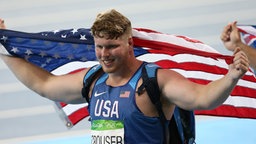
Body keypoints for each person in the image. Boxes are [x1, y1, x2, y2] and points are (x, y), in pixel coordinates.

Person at [0, 9, 249, 144]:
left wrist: (231, 77)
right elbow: (45, 84)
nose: (104, 54)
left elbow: (202, 98)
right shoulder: (93, 79)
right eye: (99, 47)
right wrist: (3, 48)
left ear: (129, 42)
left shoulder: (156, 81)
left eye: (112, 46)